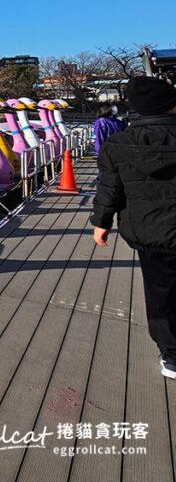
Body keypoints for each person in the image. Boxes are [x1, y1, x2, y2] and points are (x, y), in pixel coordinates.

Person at [92, 76, 176, 379]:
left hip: (149, 232)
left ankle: (172, 355)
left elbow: (109, 189)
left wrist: (101, 223)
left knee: (160, 292)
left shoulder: (118, 144)